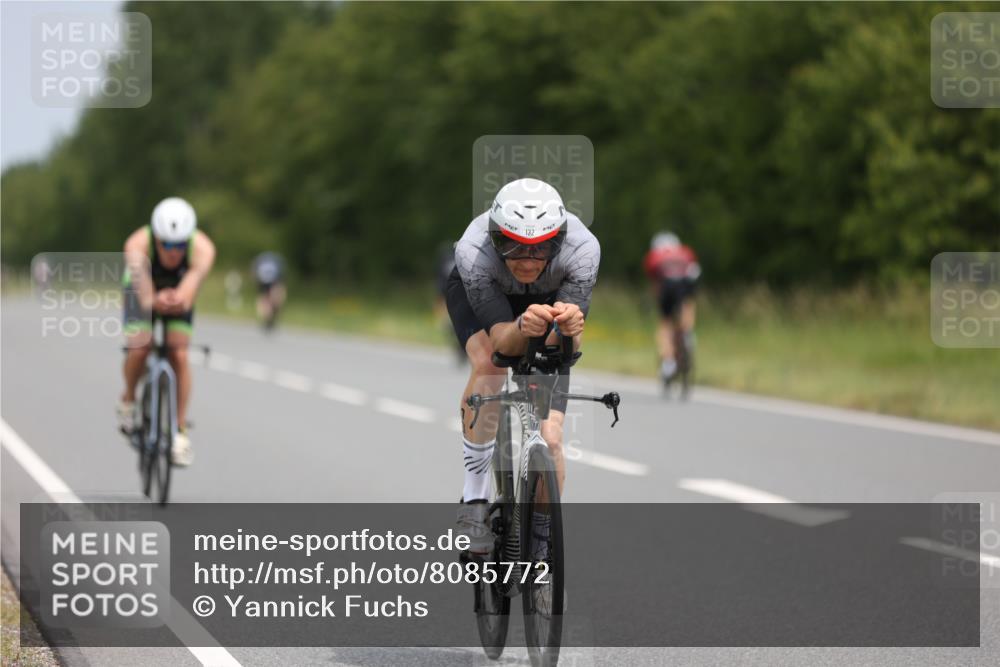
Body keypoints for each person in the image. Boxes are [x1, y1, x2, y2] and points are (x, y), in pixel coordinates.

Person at [447, 178, 600, 552]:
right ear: (495, 237)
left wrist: (568, 330)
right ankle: (475, 500)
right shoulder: (473, 250)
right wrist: (520, 325)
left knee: (551, 437)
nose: (527, 259)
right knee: (490, 366)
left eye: (541, 247)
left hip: (548, 301)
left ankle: (543, 543)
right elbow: (501, 341)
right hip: (489, 301)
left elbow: (569, 346)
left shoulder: (583, 250)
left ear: (560, 240)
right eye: (511, 245)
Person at [117, 197, 216, 466]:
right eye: (167, 244)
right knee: (139, 348)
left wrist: (177, 300)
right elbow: (145, 294)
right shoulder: (137, 244)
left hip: (177, 287)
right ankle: (128, 399)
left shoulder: (203, 249)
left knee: (179, 354)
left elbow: (189, 289)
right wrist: (152, 301)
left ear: (189, 239)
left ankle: (179, 431)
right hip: (142, 286)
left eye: (180, 244)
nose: (174, 251)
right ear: (156, 238)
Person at [643, 232, 700, 383]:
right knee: (688, 303)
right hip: (686, 281)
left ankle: (668, 363)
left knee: (665, 322)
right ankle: (687, 332)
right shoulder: (685, 252)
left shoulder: (655, 256)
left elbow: (656, 285)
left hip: (667, 284)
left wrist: (654, 302)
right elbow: (694, 272)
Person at [251, 251, 286, 331]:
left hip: (263, 282)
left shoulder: (260, 260)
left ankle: (268, 317)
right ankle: (269, 318)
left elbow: (254, 271)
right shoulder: (276, 261)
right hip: (272, 281)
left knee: (265, 300)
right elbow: (281, 275)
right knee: (273, 299)